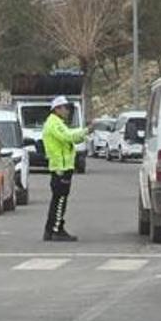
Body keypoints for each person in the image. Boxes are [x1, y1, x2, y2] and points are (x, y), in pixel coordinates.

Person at [42, 96, 93, 242]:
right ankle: (56, 230)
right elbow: (68, 137)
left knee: (58, 200)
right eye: (65, 108)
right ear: (57, 109)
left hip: (63, 167)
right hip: (61, 168)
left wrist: (84, 134)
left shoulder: (58, 123)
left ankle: (50, 230)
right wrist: (86, 131)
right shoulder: (54, 123)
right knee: (60, 200)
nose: (68, 111)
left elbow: (72, 138)